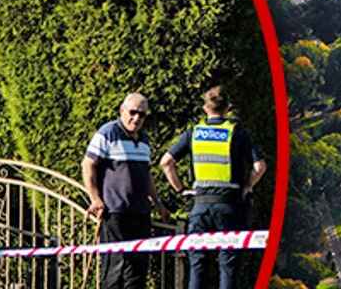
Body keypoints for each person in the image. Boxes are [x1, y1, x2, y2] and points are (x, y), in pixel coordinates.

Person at [160, 85, 266, 289]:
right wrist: (247, 186)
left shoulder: (194, 132)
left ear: (205, 108)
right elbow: (260, 166)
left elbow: (166, 162)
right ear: (228, 108)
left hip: (200, 206)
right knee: (228, 264)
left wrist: (181, 189)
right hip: (230, 205)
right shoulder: (237, 132)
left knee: (197, 264)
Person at [83, 92, 156, 289]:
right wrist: (95, 198)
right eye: (133, 112)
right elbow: (88, 164)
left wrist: (157, 203)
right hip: (115, 213)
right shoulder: (107, 133)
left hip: (140, 212)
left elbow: (147, 174)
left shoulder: (144, 140)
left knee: (138, 272)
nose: (137, 118)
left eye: (142, 114)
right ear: (122, 111)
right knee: (114, 270)